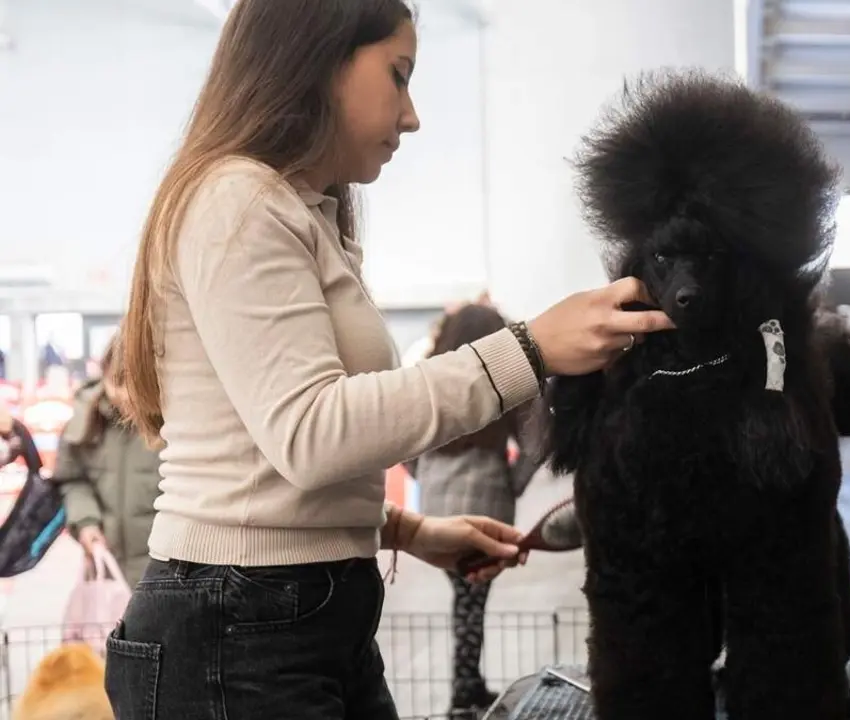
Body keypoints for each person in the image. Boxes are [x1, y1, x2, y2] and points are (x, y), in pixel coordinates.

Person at [105, 2, 674, 718]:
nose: (411, 116)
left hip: (297, 617)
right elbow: (309, 434)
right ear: (318, 57)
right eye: (398, 77)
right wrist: (528, 351)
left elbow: (268, 461)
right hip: (237, 631)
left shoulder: (300, 213)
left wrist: (410, 533)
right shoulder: (237, 203)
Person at [413, 303, 534, 713]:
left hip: (435, 505)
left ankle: (469, 684)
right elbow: (537, 443)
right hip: (485, 501)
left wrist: (423, 476)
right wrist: (512, 483)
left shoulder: (433, 373)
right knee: (472, 598)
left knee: (465, 597)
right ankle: (462, 695)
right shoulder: (503, 377)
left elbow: (405, 442)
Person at [49, 338, 160, 587]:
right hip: (107, 567)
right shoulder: (85, 422)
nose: (125, 395)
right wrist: (86, 522)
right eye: (116, 384)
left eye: (134, 384)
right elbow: (72, 480)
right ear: (104, 375)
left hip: (164, 573)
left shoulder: (174, 422)